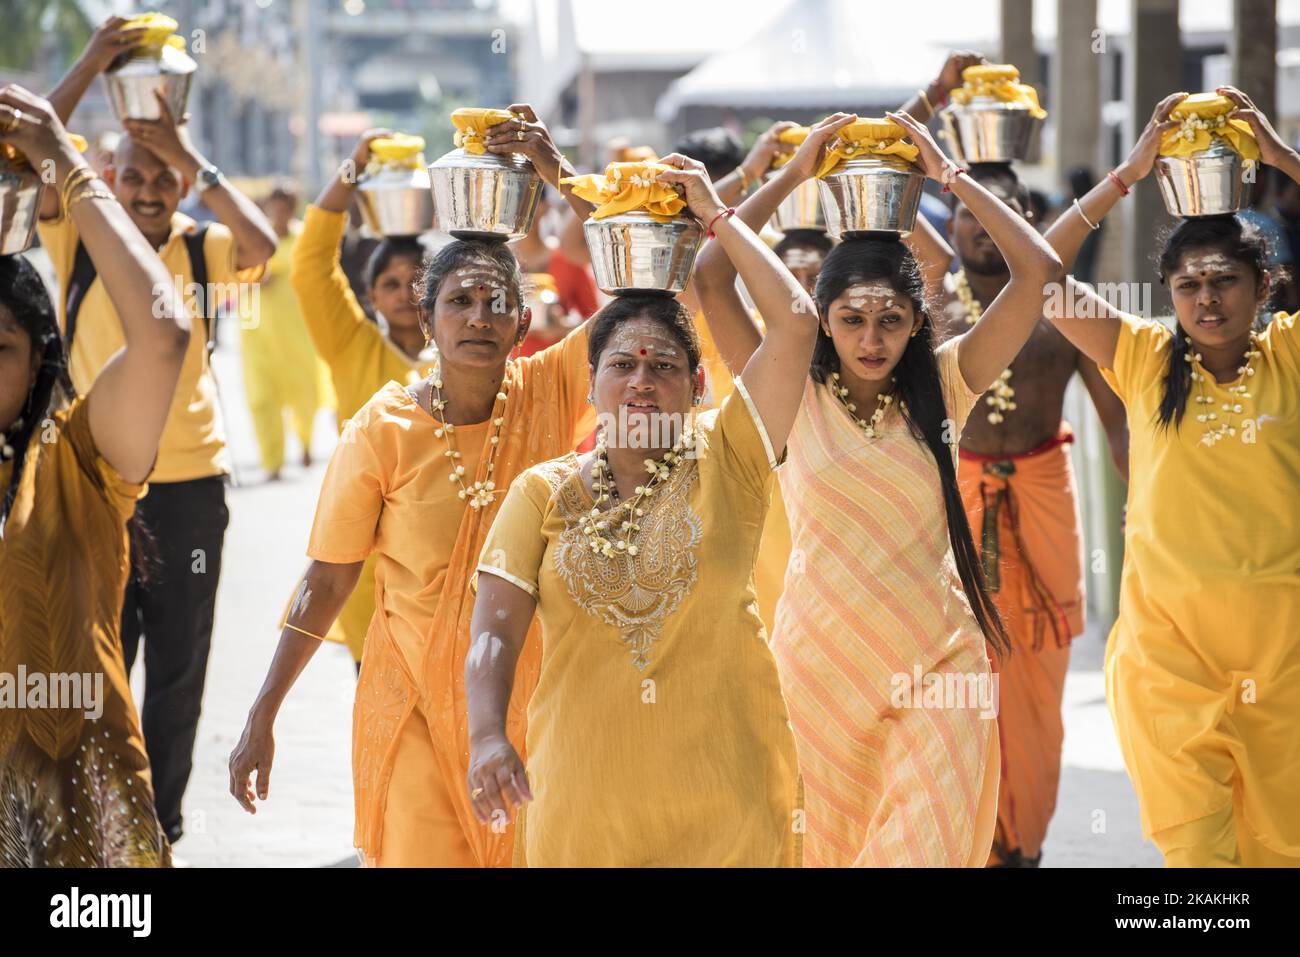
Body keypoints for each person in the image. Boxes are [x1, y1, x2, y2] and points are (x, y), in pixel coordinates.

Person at [229, 105, 598, 868]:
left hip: (531, 697)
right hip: (412, 710)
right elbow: (328, 579)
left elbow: (645, 279)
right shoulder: (382, 427)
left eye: (497, 302)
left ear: (524, 321)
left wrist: (556, 170)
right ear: (425, 321)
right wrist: (263, 713)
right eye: (457, 301)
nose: (478, 316)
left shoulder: (553, 390)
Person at [695, 108, 1065, 867]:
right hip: (821, 669)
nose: (871, 340)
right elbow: (709, 275)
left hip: (940, 668)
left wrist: (947, 172)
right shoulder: (788, 391)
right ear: (823, 320)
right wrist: (792, 175)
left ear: (915, 322)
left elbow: (1039, 274)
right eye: (852, 319)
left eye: (891, 320)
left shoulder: (950, 384)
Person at [467, 126, 842, 865]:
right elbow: (493, 635)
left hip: (728, 808)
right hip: (582, 813)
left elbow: (796, 322)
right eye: (623, 364)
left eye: (664, 364)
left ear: (697, 385)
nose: (642, 378)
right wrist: (485, 732)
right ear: (591, 383)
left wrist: (717, 213)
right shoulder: (540, 493)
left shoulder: (731, 453)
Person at [1042, 86, 1300, 867]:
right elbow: (1039, 274)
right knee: (1197, 860)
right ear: (1169, 293)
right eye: (1188, 286)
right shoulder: (1143, 356)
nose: (1207, 299)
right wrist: (1126, 174)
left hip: (1284, 657)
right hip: (1169, 659)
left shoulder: (1289, 353)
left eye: (1225, 281)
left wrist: (1282, 159)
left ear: (1263, 287)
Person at [37, 16, 277, 848]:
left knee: (177, 674)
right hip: (98, 482)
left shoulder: (205, 251)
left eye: (160, 180)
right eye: (132, 175)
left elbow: (265, 245)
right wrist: (96, 60)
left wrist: (186, 152)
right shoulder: (77, 237)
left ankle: (158, 826)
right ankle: (88, 816)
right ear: (104, 174)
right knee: (92, 665)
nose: (146, 191)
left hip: (188, 489)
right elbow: (33, 145)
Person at [0, 85, 190, 866]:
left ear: (40, 359)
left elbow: (164, 335)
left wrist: (64, 164)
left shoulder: (77, 460)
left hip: (81, 822)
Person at [925, 160, 1130, 867]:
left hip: (1043, 498)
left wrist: (1150, 506)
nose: (980, 226)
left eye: (999, 211)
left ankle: (1024, 844)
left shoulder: (1066, 308)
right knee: (959, 675)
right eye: (967, 214)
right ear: (948, 225)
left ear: (1029, 222)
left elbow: (1119, 423)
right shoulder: (927, 305)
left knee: (1039, 679)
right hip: (954, 509)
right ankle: (974, 838)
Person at [240, 185, 329, 480]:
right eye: (274, 206)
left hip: (298, 328)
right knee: (261, 398)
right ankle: (272, 461)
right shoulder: (252, 240)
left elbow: (320, 273)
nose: (278, 213)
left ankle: (304, 441)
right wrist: (251, 277)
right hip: (257, 332)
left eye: (284, 207)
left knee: (304, 392)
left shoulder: (304, 237)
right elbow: (230, 272)